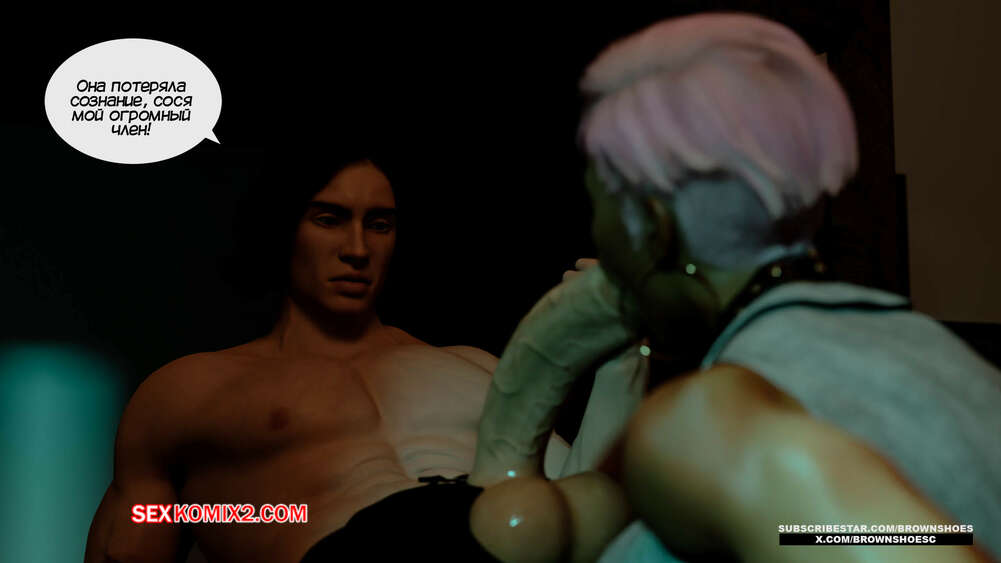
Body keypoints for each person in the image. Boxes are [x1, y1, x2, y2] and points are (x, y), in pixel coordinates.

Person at [468, 13, 1000, 562]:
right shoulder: (943, 361)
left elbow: (904, 546)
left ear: (652, 227)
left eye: (597, 206)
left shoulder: (707, 419)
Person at [84, 145, 511, 562]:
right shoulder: (191, 391)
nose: (358, 250)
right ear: (283, 229)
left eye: (379, 225)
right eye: (329, 220)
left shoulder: (478, 369)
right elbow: (130, 542)